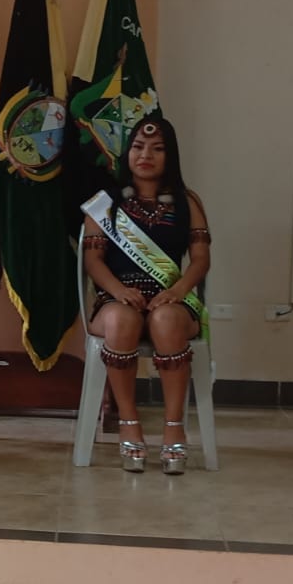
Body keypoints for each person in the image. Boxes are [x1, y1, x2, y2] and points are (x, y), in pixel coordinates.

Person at [79, 115, 210, 475]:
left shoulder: (187, 201)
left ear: (171, 155)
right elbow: (93, 260)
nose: (145, 155)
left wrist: (177, 291)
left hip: (171, 298)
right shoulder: (105, 203)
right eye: (138, 147)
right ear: (127, 153)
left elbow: (200, 260)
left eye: (157, 149)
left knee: (167, 321)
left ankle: (174, 427)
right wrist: (119, 291)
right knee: (121, 322)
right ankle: (129, 424)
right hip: (117, 298)